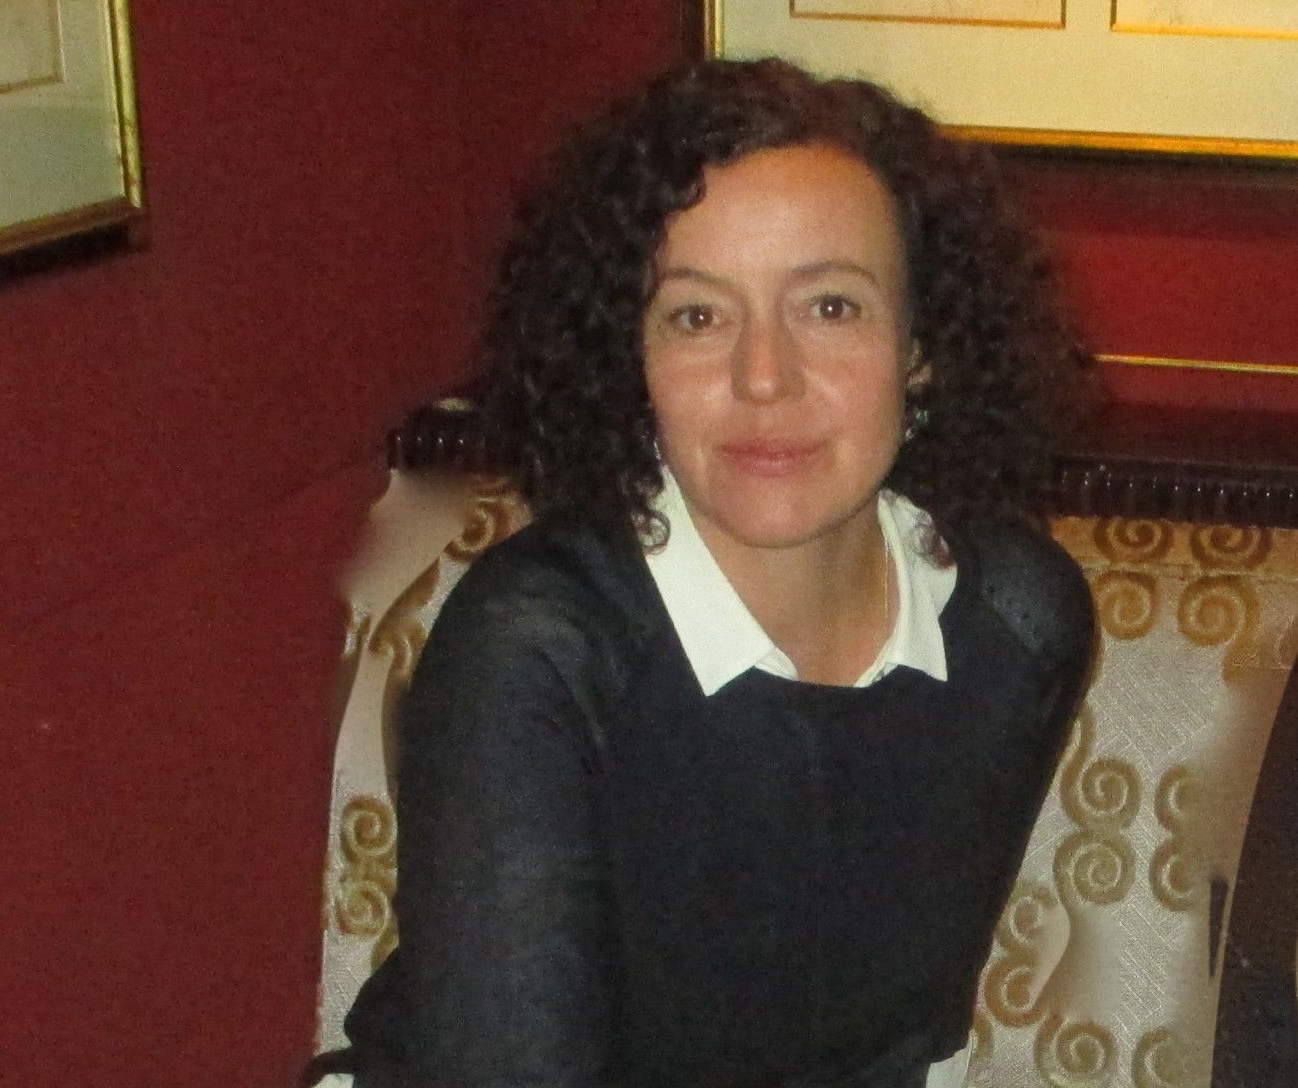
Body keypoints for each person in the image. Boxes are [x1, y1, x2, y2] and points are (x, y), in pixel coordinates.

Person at [311, 58, 1095, 1088]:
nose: (762, 377)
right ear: (630, 357)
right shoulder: (539, 645)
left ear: (922, 345)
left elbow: (900, 1045)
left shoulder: (1016, 621)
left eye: (830, 308)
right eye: (696, 315)